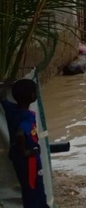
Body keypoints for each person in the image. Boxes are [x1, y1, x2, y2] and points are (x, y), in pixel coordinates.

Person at [1, 79, 49, 208]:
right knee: (35, 186)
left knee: (27, 188)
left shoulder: (11, 110)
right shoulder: (27, 116)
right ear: (32, 96)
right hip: (29, 160)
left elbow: (2, 98)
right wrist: (26, 151)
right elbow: (20, 134)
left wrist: (5, 85)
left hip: (17, 157)